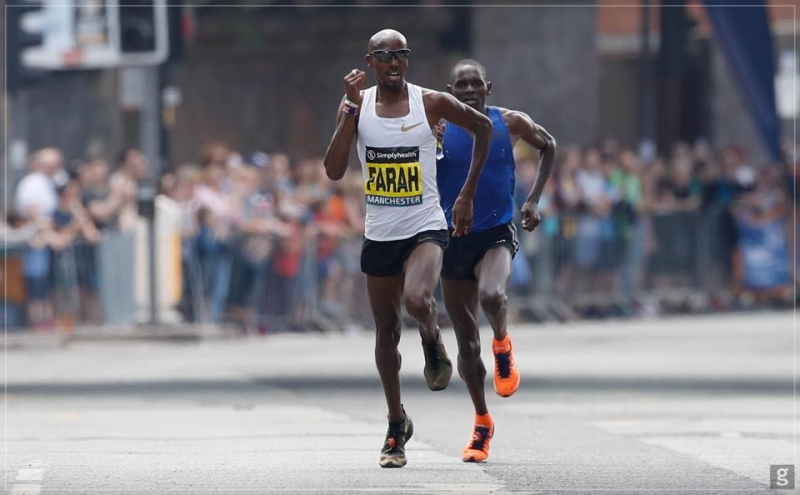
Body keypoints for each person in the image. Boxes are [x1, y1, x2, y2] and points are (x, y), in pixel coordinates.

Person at [323, 30, 493, 468]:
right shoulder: (357, 108)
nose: (392, 62)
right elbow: (334, 169)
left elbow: (483, 127)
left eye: (400, 55)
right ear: (370, 61)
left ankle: (432, 337)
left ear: (408, 60)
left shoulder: (430, 101)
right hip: (381, 233)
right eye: (383, 56)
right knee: (385, 332)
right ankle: (396, 424)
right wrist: (347, 111)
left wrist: (467, 194)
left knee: (418, 300)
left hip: (426, 226)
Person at [436, 59, 557, 463]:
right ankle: (482, 422)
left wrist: (534, 198)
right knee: (467, 346)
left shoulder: (512, 122)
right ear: (451, 91)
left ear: (487, 87)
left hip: (496, 232)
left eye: (475, 83)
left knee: (492, 294)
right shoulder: (436, 128)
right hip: (453, 240)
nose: (469, 89)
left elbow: (549, 146)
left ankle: (503, 343)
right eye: (461, 85)